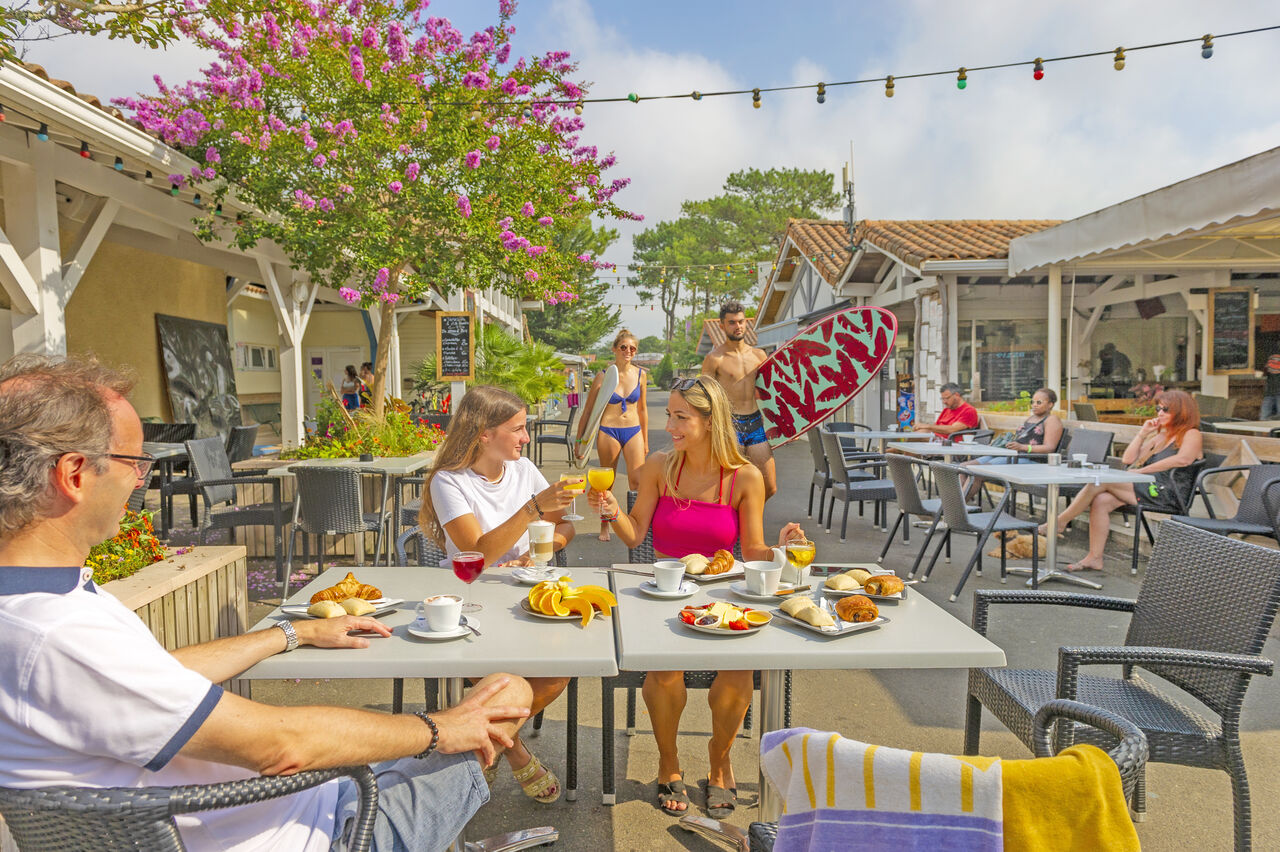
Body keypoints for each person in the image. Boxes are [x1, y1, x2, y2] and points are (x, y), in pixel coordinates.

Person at [0, 354, 534, 851]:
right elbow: (285, 746)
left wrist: (292, 633)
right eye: (134, 463)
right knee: (508, 692)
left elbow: (156, 672)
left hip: (286, 804)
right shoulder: (57, 636)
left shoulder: (41, 605)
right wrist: (442, 727)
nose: (142, 480)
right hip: (328, 828)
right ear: (73, 475)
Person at [587, 376, 804, 818]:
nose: (670, 426)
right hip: (666, 595)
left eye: (681, 417)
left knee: (739, 672)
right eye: (669, 415)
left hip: (725, 595)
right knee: (664, 674)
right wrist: (613, 511)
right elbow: (635, 534)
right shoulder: (658, 467)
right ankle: (669, 762)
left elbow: (754, 552)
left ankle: (719, 760)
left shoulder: (745, 477)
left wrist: (782, 549)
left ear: (711, 421)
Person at [418, 384, 577, 804]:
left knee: (560, 669)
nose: (527, 438)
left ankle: (481, 750)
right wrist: (532, 510)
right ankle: (515, 751)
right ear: (484, 433)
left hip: (528, 594)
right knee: (497, 678)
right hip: (470, 598)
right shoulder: (448, 481)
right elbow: (476, 554)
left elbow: (566, 527)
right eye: (518, 429)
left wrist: (541, 551)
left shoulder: (524, 471)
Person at [1041, 389, 1203, 573]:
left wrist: (1141, 471)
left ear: (1182, 411)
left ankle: (1060, 522)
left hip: (1167, 493)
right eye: (1158, 409)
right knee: (1101, 500)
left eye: (1166, 409)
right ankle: (1094, 558)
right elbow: (1127, 459)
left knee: (1101, 481)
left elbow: (1183, 460)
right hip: (1147, 487)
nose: (1160, 413)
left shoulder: (1191, 434)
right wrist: (1143, 434)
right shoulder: (1160, 435)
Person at [575, 329, 648, 541]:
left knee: (637, 481)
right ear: (614, 349)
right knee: (607, 483)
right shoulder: (604, 377)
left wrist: (645, 441)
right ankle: (605, 525)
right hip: (609, 431)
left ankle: (636, 525)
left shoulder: (641, 375)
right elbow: (588, 412)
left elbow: (642, 410)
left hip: (633, 430)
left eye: (632, 348)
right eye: (623, 347)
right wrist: (580, 442)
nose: (628, 351)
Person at [701, 301, 776, 499]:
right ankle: (737, 528)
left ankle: (748, 521)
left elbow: (773, 393)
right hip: (729, 425)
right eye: (732, 322)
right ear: (722, 326)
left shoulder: (759, 355)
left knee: (769, 486)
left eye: (741, 322)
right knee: (728, 489)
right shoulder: (714, 358)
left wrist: (789, 425)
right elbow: (704, 398)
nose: (738, 326)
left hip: (756, 423)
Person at [961, 388, 1064, 498]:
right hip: (1011, 455)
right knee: (963, 467)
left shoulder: (1052, 420)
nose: (1034, 405)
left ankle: (957, 509)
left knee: (978, 472)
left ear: (1050, 404)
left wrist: (1023, 447)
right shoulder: (1032, 418)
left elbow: (1050, 448)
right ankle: (953, 505)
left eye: (1039, 402)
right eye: (1033, 402)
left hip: (1030, 459)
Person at [913, 382, 979, 438]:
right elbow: (936, 427)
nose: (944, 402)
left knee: (916, 438)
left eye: (946, 398)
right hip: (938, 439)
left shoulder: (968, 410)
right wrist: (923, 428)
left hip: (951, 442)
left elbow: (952, 429)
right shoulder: (947, 410)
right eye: (942, 399)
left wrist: (927, 426)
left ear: (956, 395)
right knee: (914, 435)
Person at [1262, 353, 1280, 419]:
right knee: (1264, 417)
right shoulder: (1268, 370)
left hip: (1276, 394)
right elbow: (1263, 373)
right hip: (1268, 394)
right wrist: (1266, 367)